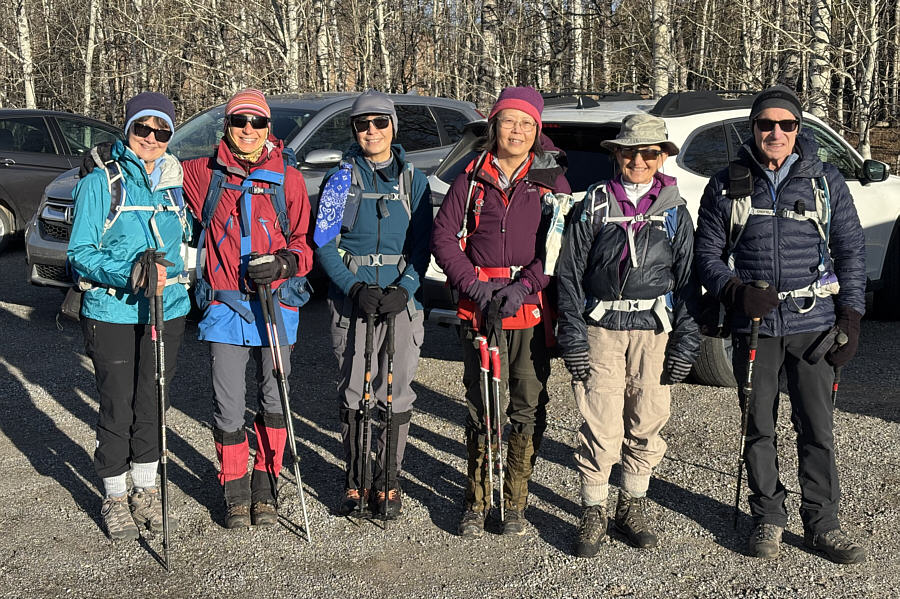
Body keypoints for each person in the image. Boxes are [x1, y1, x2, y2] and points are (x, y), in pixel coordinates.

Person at [694, 85, 866, 564]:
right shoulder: (726, 182)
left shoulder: (825, 180)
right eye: (766, 124)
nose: (776, 132)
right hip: (757, 327)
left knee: (817, 426)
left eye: (786, 124)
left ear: (798, 130)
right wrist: (734, 291)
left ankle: (822, 523)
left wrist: (851, 315)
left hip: (815, 324)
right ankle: (768, 518)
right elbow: (706, 254)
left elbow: (850, 252)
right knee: (758, 426)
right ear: (752, 128)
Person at [555, 113, 700, 557]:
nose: (638, 161)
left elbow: (688, 281)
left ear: (661, 158)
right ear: (616, 154)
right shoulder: (595, 203)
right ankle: (594, 508)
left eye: (649, 153)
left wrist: (687, 339)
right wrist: (573, 336)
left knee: (649, 416)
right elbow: (569, 274)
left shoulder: (675, 210)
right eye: (630, 152)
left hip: (653, 329)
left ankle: (632, 503)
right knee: (600, 418)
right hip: (602, 327)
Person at [431, 86, 570, 538]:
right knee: (481, 406)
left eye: (526, 124)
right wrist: (473, 285)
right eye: (510, 121)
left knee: (526, 405)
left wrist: (525, 285)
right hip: (479, 308)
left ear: (537, 131)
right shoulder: (470, 177)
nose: (517, 130)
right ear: (495, 125)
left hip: (528, 308)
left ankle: (514, 501)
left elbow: (556, 245)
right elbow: (443, 239)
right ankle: (476, 498)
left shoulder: (551, 180)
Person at [180, 89, 313, 529]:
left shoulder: (288, 178)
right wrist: (105, 163)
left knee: (275, 399)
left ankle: (266, 485)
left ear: (268, 128)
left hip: (276, 303)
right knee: (228, 403)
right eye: (240, 122)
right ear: (227, 126)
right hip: (224, 304)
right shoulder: (204, 173)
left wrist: (284, 262)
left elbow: (304, 245)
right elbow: (154, 167)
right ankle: (235, 490)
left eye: (257, 123)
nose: (248, 131)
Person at [68, 92, 190, 540]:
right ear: (128, 128)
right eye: (144, 128)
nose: (152, 139)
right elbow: (80, 253)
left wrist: (167, 269)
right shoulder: (101, 183)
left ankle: (145, 487)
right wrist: (131, 272)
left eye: (162, 132)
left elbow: (185, 245)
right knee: (118, 403)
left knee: (154, 401)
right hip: (112, 309)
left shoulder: (177, 182)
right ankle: (115, 495)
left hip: (168, 307)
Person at [314, 90, 432, 521]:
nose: (372, 131)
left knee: (395, 392)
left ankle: (390, 478)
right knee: (354, 390)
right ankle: (356, 474)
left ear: (393, 127)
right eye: (363, 124)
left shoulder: (413, 181)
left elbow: (423, 245)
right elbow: (324, 241)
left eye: (380, 122)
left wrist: (406, 287)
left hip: (401, 301)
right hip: (354, 300)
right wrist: (351, 286)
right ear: (354, 131)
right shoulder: (339, 179)